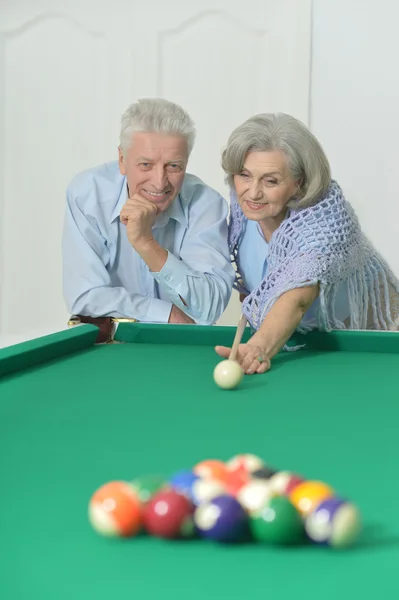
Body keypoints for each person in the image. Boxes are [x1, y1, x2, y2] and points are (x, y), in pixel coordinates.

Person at [215, 112, 399, 374]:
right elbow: (258, 286)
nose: (253, 192)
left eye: (271, 181)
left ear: (298, 183)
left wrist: (258, 347)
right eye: (244, 175)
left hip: (375, 341)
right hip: (303, 343)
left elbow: (297, 299)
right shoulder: (243, 209)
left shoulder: (327, 222)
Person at [62, 98, 235, 340]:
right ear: (122, 160)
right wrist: (165, 313)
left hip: (184, 349)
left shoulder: (206, 204)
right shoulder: (87, 196)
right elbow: (85, 296)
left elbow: (209, 307)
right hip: (114, 349)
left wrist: (146, 244)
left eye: (174, 166)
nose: (159, 181)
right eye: (145, 164)